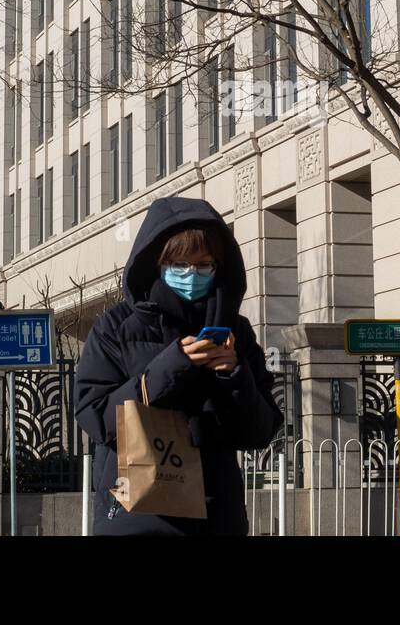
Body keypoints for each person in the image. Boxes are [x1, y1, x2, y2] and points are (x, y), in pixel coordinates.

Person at [74, 197, 283, 535]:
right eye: (180, 264)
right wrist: (169, 367)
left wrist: (235, 375)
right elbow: (94, 415)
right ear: (157, 263)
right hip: (136, 517)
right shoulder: (117, 326)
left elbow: (260, 432)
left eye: (203, 265)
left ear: (219, 266)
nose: (192, 274)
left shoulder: (235, 329)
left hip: (216, 517)